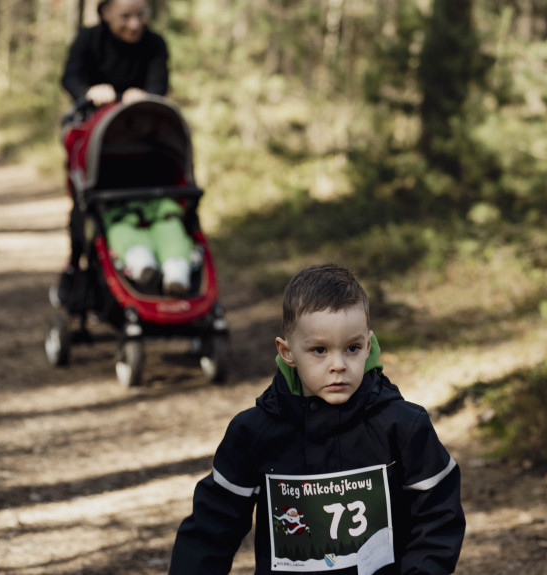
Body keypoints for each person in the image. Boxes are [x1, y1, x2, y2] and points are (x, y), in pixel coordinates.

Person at [169, 264, 465, 574]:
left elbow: (438, 517)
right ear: (287, 352)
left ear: (368, 345)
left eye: (351, 348)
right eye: (319, 350)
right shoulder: (254, 433)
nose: (338, 364)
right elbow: (210, 529)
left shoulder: (403, 426)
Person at [54, 0, 191, 300]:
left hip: (145, 143)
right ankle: (76, 266)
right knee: (82, 208)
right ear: (105, 13)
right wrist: (89, 92)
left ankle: (176, 264)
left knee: (169, 211)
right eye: (125, 17)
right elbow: (71, 77)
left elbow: (159, 85)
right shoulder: (88, 40)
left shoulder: (154, 44)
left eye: (142, 15)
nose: (134, 24)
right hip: (97, 144)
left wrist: (144, 96)